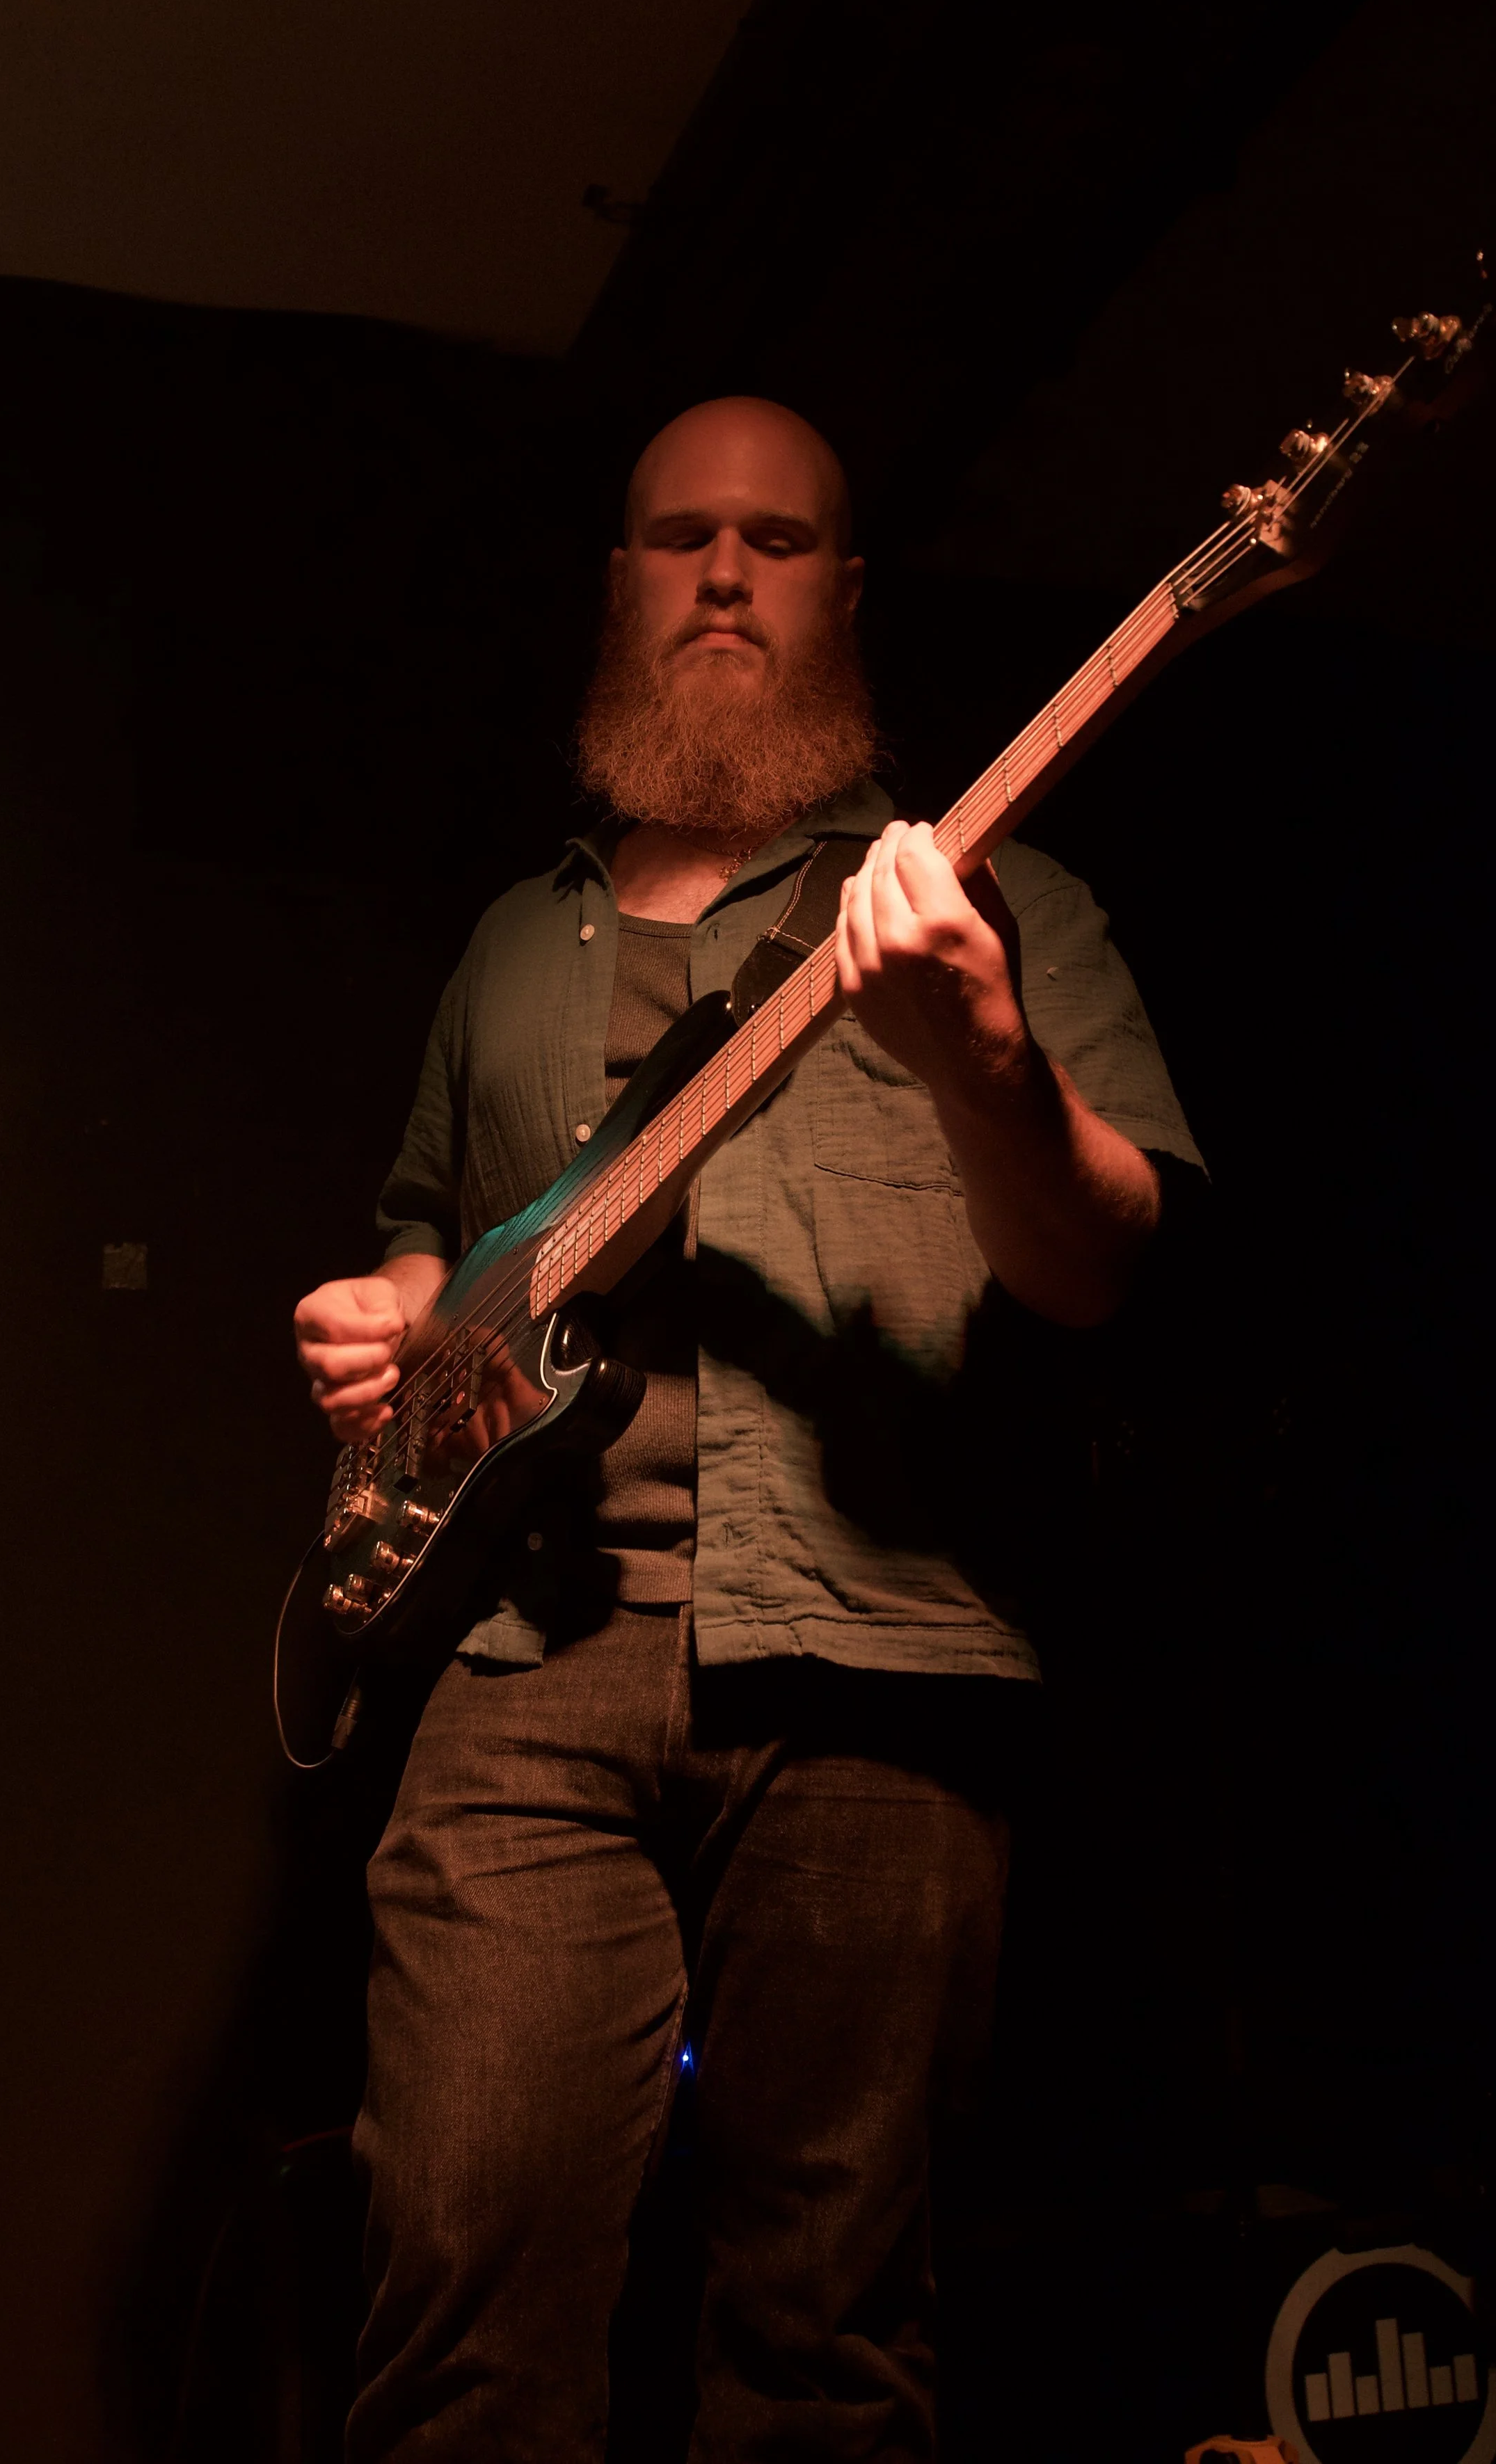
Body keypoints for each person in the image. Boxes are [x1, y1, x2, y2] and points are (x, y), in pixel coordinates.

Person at [292, 397, 1202, 2461]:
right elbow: (430, 1231)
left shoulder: (1003, 896)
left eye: (776, 543)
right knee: (451, 2285)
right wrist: (392, 1317)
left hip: (880, 1656)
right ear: (620, 583)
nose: (724, 574)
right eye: (681, 536)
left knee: (826, 2333)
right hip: (520, 1660)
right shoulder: (508, 944)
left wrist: (982, 1050)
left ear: (844, 592)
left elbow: (1101, 1267)